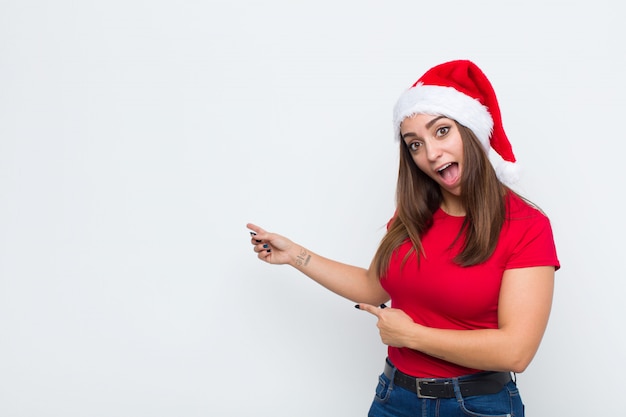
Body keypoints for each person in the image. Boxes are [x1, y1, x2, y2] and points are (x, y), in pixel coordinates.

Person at [247, 59, 559, 417]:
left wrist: (412, 336)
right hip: (394, 398)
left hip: (476, 406)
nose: (430, 153)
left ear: (471, 131)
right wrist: (296, 255)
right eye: (414, 144)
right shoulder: (414, 215)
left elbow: (515, 352)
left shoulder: (526, 225)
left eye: (441, 131)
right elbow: (373, 286)